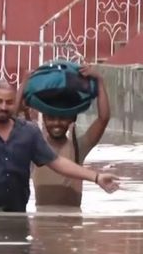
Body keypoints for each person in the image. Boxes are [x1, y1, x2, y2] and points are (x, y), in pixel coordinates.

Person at [0, 83, 119, 212]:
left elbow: (57, 162)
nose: (3, 107)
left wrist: (97, 177)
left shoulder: (29, 133)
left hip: (17, 212)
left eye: (9, 102)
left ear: (15, 104)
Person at [24, 65, 110, 207]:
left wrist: (99, 81)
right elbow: (13, 119)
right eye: (51, 118)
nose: (56, 123)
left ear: (72, 119)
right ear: (43, 118)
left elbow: (103, 118)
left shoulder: (79, 147)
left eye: (63, 118)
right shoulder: (35, 145)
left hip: (73, 222)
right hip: (42, 223)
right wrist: (24, 84)